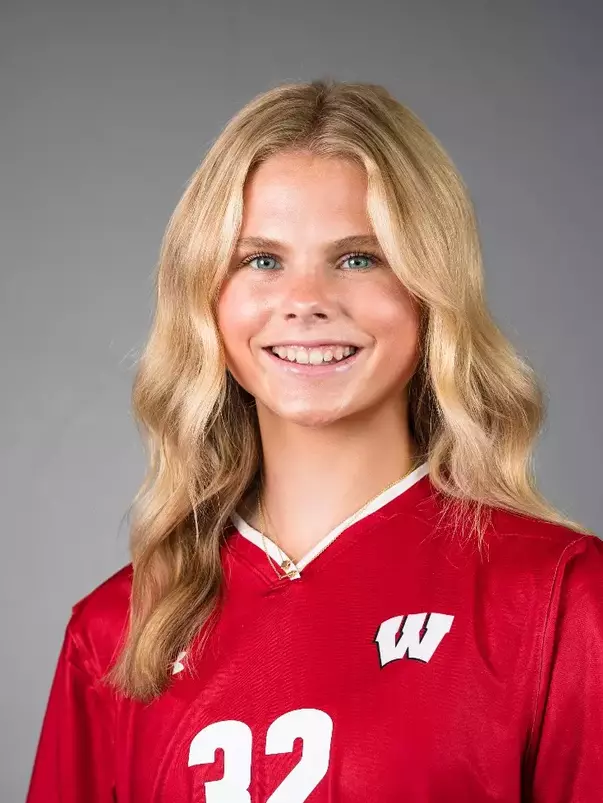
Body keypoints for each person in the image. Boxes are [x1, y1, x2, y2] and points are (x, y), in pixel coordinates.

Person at [26, 79, 603, 802]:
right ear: (206, 296)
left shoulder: (557, 596)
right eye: (260, 260)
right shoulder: (118, 631)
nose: (305, 300)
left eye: (359, 257)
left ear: (430, 290)